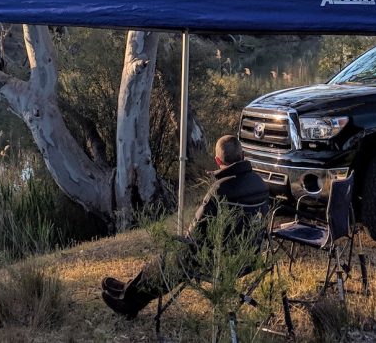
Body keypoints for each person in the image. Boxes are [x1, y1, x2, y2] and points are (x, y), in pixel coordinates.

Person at [100, 135, 270, 318]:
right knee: (174, 258)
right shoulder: (260, 183)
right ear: (243, 155)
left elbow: (194, 234)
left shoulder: (220, 190)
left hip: (218, 261)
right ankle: (128, 291)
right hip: (249, 258)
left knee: (170, 258)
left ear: (218, 160)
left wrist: (185, 242)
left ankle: (130, 301)